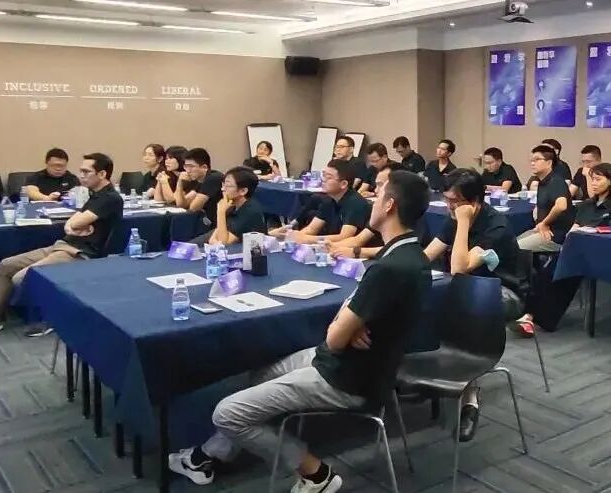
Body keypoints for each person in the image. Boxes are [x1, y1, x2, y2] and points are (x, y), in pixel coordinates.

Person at [167, 171, 432, 493]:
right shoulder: (411, 255)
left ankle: (315, 474)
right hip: (359, 364)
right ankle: (207, 455)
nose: (373, 200)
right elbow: (354, 320)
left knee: (226, 414)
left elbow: (335, 338)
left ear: (390, 205)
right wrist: (352, 324)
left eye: (379, 193)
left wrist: (345, 327)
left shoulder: (388, 268)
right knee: (262, 373)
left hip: (347, 377)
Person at [0, 153, 123, 338]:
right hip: (63, 244)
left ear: (102, 174)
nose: (81, 175)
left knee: (20, 278)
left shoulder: (110, 198)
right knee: (6, 265)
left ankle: (52, 318)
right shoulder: (95, 194)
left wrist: (73, 225)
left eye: (86, 171)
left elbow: (75, 222)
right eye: (81, 171)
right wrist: (73, 225)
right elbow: (72, 222)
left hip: (79, 252)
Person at [422, 168, 522, 442]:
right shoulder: (453, 218)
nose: (449, 207)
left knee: (461, 315)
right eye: (446, 199)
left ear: (475, 201)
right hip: (462, 290)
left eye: (454, 201)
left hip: (502, 292)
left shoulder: (496, 226)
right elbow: (426, 256)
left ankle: (470, 397)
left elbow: (459, 268)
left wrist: (463, 222)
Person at [514, 162, 611, 337]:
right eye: (592, 179)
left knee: (561, 273)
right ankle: (529, 316)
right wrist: (572, 238)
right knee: (547, 272)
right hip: (575, 249)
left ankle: (538, 318)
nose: (594, 183)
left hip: (600, 251)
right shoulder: (586, 205)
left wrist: (586, 232)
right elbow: (573, 228)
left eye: (598, 179)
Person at [269, 160, 370, 244]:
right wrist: (290, 236)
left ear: (343, 184)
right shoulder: (329, 200)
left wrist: (308, 239)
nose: (323, 180)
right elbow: (312, 229)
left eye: (328, 177)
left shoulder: (355, 203)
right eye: (323, 175)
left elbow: (345, 237)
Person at [517, 145, 573, 252]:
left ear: (549, 163)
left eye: (537, 160)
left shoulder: (556, 181)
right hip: (541, 230)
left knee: (516, 248)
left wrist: (545, 223)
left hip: (554, 235)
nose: (532, 163)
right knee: (510, 243)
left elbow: (561, 206)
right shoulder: (542, 182)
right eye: (531, 160)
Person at [198, 167, 267, 246]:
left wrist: (221, 212)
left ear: (243, 191)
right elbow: (213, 239)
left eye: (228, 186)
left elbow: (222, 244)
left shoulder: (250, 211)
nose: (222, 189)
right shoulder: (232, 205)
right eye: (223, 184)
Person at [175, 148, 225, 229]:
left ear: (204, 167)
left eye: (191, 166)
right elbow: (181, 204)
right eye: (186, 166)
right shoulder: (200, 180)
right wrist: (180, 182)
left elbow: (193, 208)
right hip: (208, 223)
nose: (187, 171)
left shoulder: (213, 178)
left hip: (219, 226)